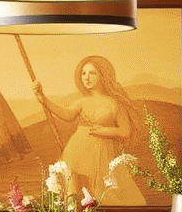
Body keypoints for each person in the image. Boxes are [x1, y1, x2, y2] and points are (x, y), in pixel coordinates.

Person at [33, 56, 146, 204]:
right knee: (75, 192)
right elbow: (67, 115)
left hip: (102, 155)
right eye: (83, 73)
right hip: (76, 152)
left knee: (104, 192)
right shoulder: (82, 102)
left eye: (92, 73)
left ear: (103, 76)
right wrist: (43, 99)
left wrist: (106, 131)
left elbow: (125, 132)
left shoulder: (115, 104)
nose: (86, 77)